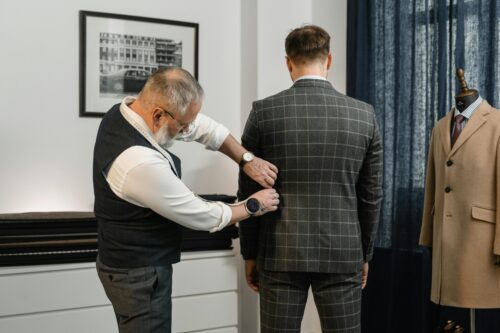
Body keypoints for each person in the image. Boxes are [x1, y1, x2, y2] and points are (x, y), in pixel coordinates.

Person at [93, 67, 280, 333]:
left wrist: (245, 159)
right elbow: (200, 214)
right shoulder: (138, 162)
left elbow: (204, 128)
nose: (187, 131)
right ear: (159, 115)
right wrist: (253, 205)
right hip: (138, 274)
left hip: (124, 264)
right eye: (182, 126)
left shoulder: (126, 112)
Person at [238, 25, 383, 333]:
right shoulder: (364, 115)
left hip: (279, 251)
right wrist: (365, 253)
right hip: (343, 251)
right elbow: (371, 195)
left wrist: (249, 253)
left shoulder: (264, 112)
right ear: (328, 59)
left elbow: (248, 187)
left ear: (288, 62)